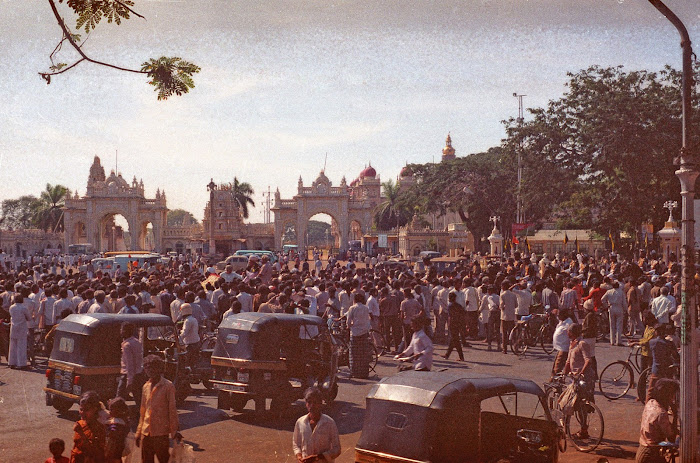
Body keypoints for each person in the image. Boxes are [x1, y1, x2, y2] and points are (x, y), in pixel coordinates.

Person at [135, 355, 182, 463]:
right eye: (147, 368)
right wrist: (138, 432)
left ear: (160, 369)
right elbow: (143, 411)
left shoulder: (168, 386)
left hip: (161, 434)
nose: (150, 370)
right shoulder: (145, 386)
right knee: (146, 460)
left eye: (153, 367)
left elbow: (172, 410)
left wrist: (175, 431)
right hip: (146, 433)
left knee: (164, 459)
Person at [292, 387, 341, 463]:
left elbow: (337, 449)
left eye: (315, 402)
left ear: (321, 403)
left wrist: (317, 457)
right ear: (306, 404)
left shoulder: (329, 422)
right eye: (309, 402)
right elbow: (296, 444)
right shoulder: (300, 422)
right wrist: (299, 457)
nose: (312, 405)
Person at [636, 379, 678, 463]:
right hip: (651, 454)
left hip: (642, 451)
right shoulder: (661, 413)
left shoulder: (651, 403)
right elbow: (670, 436)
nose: (673, 398)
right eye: (672, 395)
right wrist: (675, 415)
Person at [70, 391, 106, 463]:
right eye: (81, 409)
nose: (82, 413)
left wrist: (81, 433)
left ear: (95, 409)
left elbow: (95, 452)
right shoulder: (80, 423)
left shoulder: (99, 428)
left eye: (86, 410)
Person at [117, 323, 145, 408]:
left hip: (127, 375)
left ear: (125, 331)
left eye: (122, 330)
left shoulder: (127, 345)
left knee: (119, 398)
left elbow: (130, 364)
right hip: (138, 374)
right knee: (139, 398)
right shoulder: (137, 342)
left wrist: (129, 381)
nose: (120, 332)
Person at [345, 293, 371, 379]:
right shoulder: (366, 308)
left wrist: (349, 326)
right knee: (363, 353)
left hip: (355, 333)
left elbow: (348, 322)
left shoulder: (352, 308)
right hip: (364, 332)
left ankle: (354, 372)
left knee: (354, 354)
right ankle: (364, 372)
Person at [8, 293, 31, 369]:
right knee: (21, 346)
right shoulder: (24, 308)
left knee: (12, 346)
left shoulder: (11, 307)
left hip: (14, 327)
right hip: (21, 327)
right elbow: (29, 318)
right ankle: (21, 363)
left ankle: (12, 362)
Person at [104, 397, 130, 463]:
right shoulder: (124, 421)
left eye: (112, 410)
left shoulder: (116, 423)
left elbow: (112, 432)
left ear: (119, 411)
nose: (110, 411)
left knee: (113, 459)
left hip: (114, 447)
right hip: (120, 446)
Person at [551, 309, 574, 380]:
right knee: (555, 364)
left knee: (558, 366)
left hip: (564, 348)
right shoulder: (562, 321)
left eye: (559, 315)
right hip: (559, 347)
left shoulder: (568, 323)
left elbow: (571, 335)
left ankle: (556, 381)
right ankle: (554, 378)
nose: (557, 317)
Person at [443, 291, 465, 361]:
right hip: (458, 323)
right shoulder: (458, 305)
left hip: (453, 324)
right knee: (453, 340)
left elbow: (450, 316)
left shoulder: (450, 306)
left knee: (455, 340)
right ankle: (447, 354)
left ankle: (461, 357)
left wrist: (449, 324)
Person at [178, 303, 201, 368]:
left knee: (187, 362)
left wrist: (177, 339)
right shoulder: (194, 319)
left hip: (190, 345)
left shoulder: (187, 321)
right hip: (196, 342)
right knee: (194, 362)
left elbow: (184, 333)